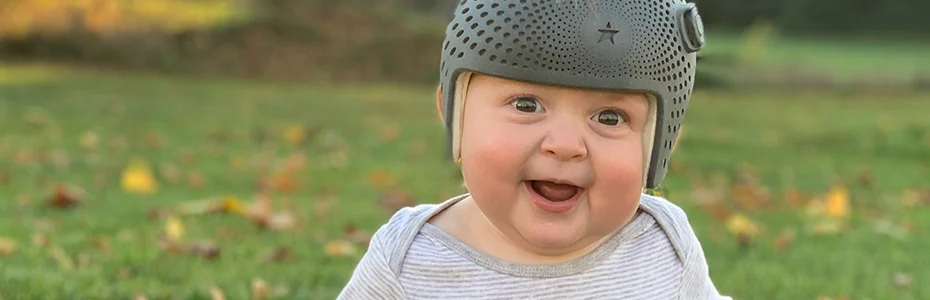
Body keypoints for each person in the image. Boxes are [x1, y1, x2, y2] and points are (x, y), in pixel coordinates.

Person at [339, 0, 731, 299]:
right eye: (526, 105)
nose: (565, 145)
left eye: (610, 118)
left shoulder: (665, 244)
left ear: (661, 142)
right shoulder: (406, 262)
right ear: (454, 116)